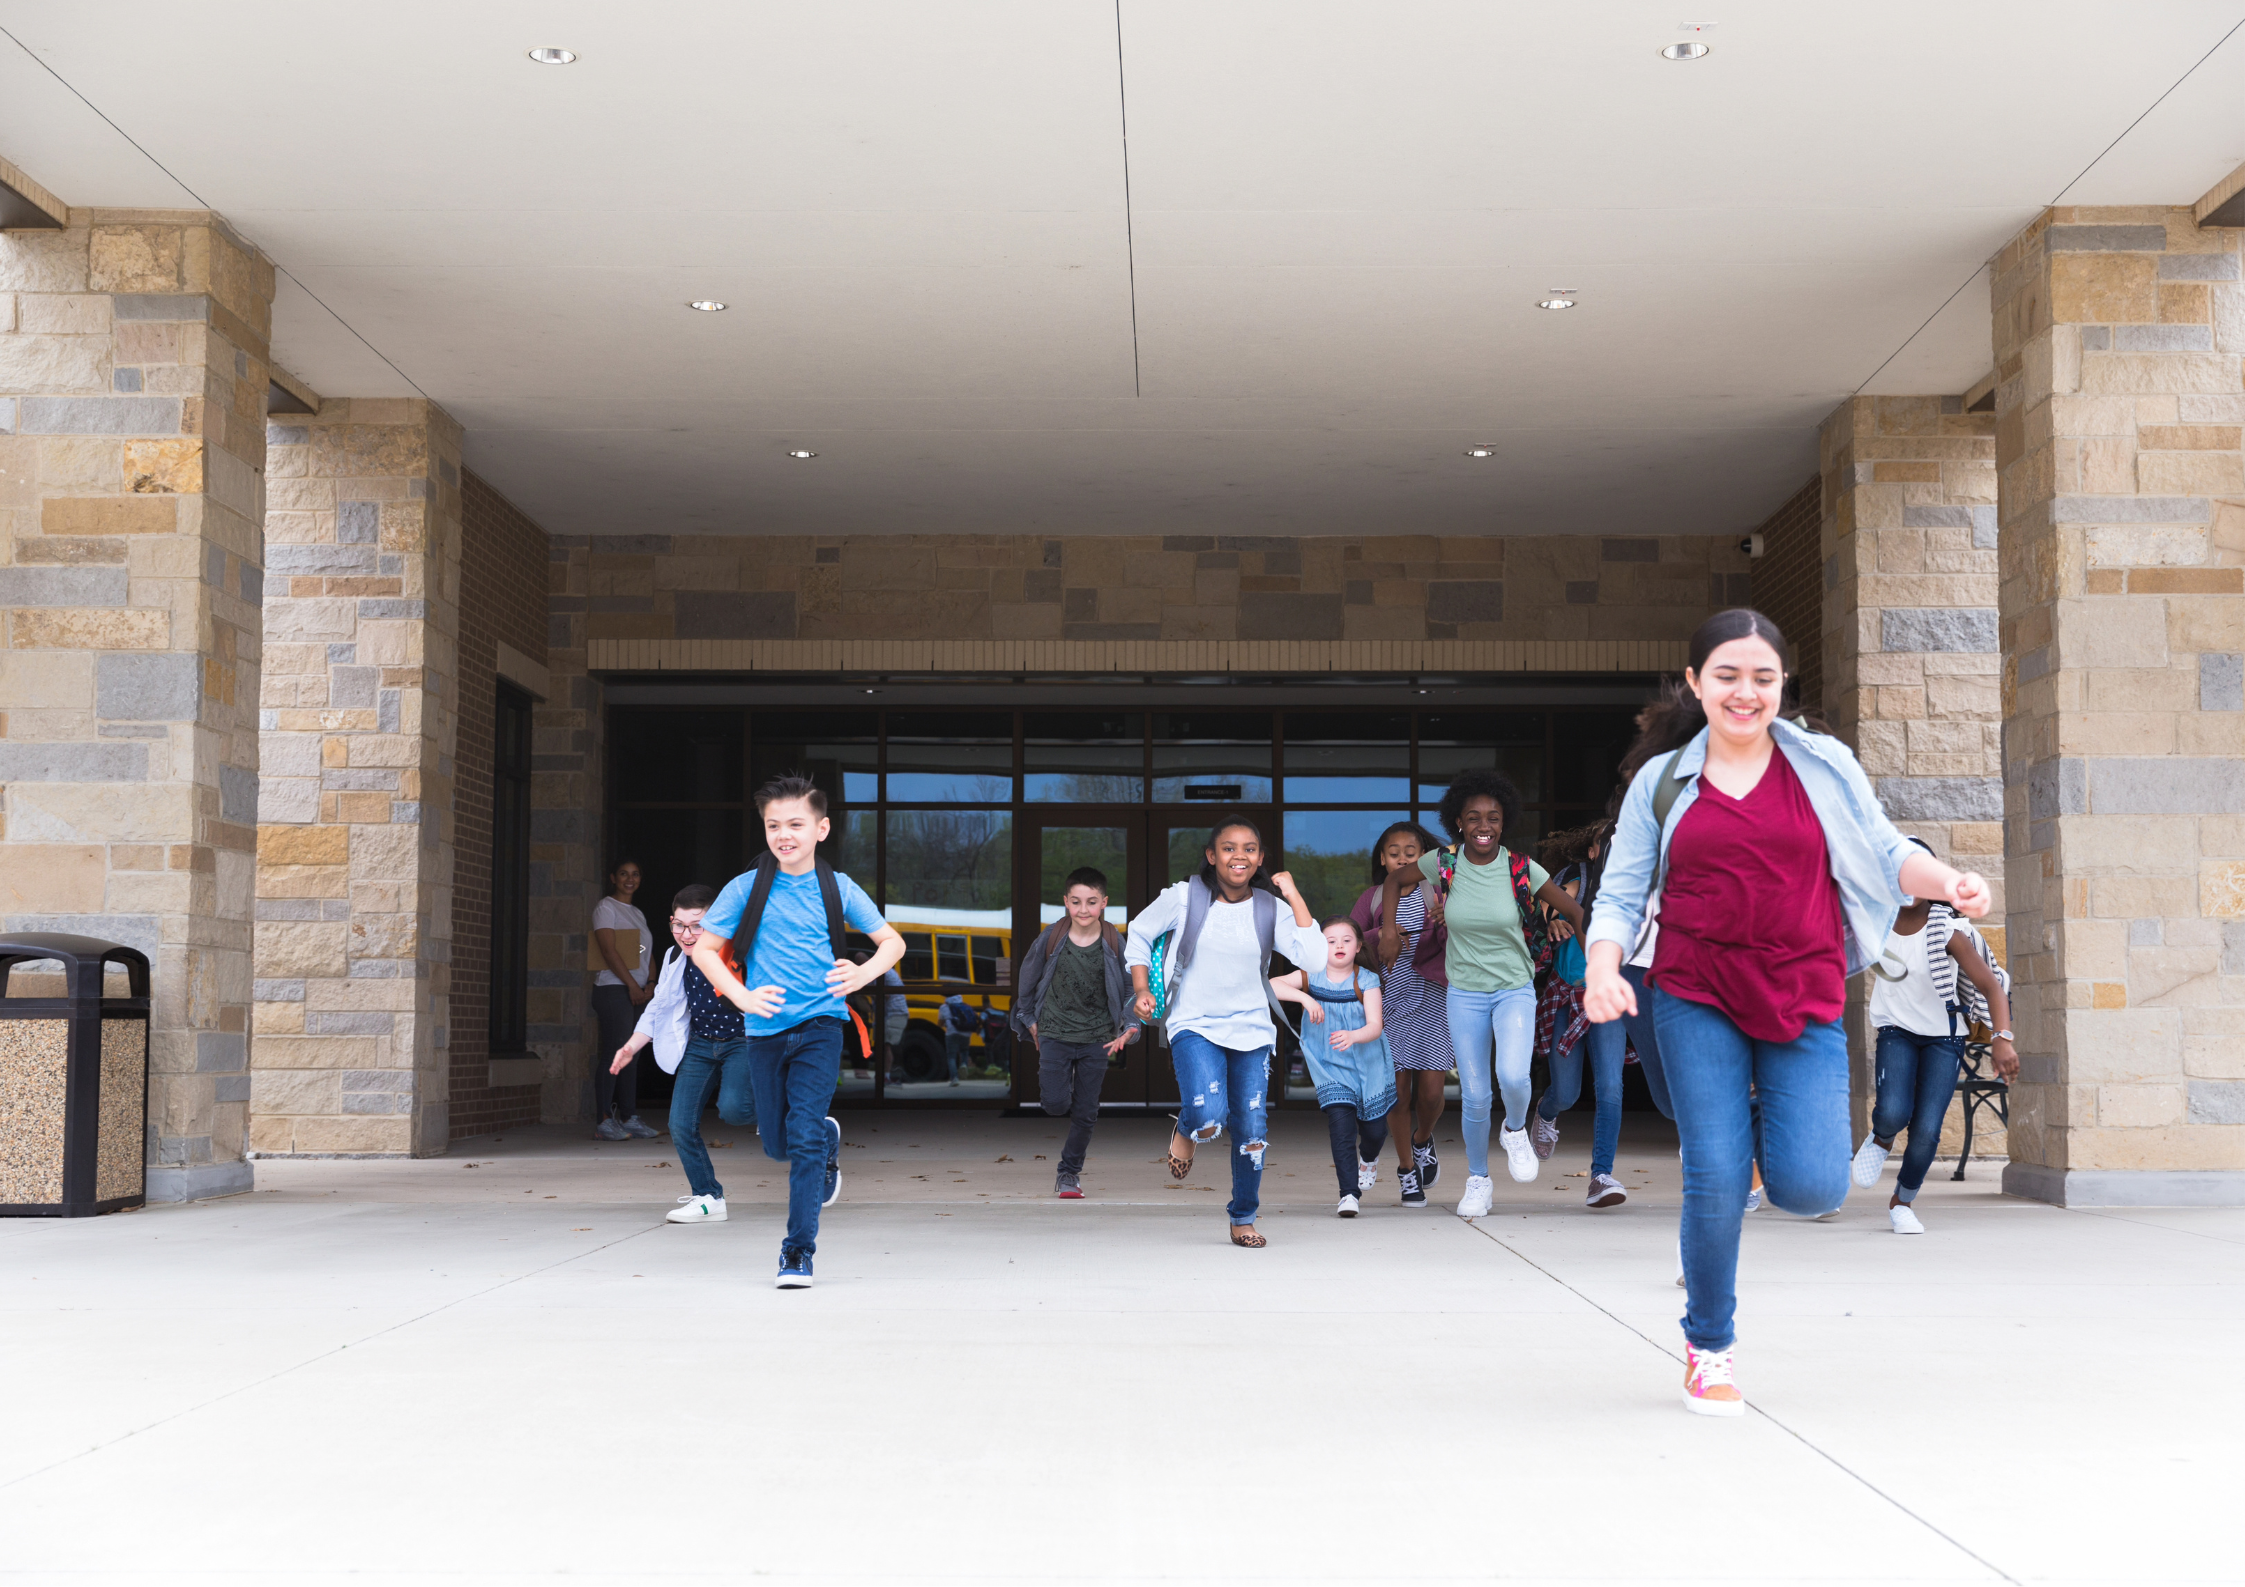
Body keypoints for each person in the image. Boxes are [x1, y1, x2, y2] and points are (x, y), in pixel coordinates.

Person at [1583, 608, 1992, 1416]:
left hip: (1802, 988)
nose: (1744, 692)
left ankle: (1750, 1139)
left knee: (1811, 1186)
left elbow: (1882, 850)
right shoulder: (1663, 781)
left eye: (1761, 677)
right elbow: (1620, 892)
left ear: (1779, 686)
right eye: (1726, 676)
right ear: (1695, 684)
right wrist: (1602, 966)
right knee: (1714, 1169)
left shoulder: (1821, 764)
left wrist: (1943, 878)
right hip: (1693, 988)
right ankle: (1709, 1346)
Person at [691, 774, 906, 1289]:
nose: (784, 834)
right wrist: (741, 997)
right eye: (773, 825)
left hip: (821, 1024)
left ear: (821, 828)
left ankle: (797, 1251)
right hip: (763, 1029)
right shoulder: (745, 888)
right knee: (777, 1144)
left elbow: (891, 942)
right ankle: (825, 1140)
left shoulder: (838, 887)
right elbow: (703, 949)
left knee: (803, 1138)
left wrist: (862, 973)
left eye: (795, 824)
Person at [1384, 771, 1584, 1219]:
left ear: (1503, 822)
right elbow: (1394, 882)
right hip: (1465, 994)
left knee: (1513, 1078)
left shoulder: (1521, 868)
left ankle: (1515, 1130)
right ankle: (1478, 1180)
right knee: (1475, 1096)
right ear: (1458, 822)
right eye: (1473, 817)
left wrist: (1597, 965)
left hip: (1513, 989)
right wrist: (1388, 930)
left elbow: (1574, 909)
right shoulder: (1444, 862)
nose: (1483, 825)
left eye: (1492, 818)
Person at [1125, 816, 1326, 1248]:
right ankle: (1187, 1128)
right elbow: (1139, 933)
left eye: (1250, 849)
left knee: (1252, 1128)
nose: (1240, 855)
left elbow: (1314, 957)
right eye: (1230, 848)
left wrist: (1291, 893)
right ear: (1212, 856)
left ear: (1260, 860)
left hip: (1252, 1029)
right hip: (1194, 1023)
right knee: (1207, 1116)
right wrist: (1142, 988)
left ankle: (1243, 1217)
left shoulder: (1272, 908)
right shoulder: (1185, 898)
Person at [1852, 837, 2019, 1233]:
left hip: (1944, 1038)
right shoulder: (1874, 923)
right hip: (1896, 1031)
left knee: (1927, 1131)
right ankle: (1881, 1136)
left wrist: (2003, 1036)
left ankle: (1902, 1202)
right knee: (1893, 1112)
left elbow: (1992, 986)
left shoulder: (1947, 930)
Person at [607, 885, 754, 1224]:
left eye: (697, 925)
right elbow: (659, 1007)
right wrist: (631, 1046)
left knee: (734, 1110)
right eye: (679, 925)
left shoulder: (739, 951)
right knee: (679, 1123)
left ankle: (798, 1121)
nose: (687, 935)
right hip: (701, 1044)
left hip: (742, 1041)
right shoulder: (675, 959)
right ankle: (708, 1197)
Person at [1011, 866, 1141, 1198]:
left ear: (1104, 903)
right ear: (1066, 902)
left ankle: (1068, 1174)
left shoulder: (1114, 940)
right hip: (1053, 1032)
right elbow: (1027, 979)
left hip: (1097, 1037)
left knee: (1086, 1111)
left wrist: (1130, 1025)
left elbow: (1130, 990)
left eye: (1092, 902)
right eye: (1076, 902)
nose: (1084, 910)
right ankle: (1062, 1094)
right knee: (1054, 1104)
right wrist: (1028, 1018)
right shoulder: (1051, 937)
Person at [1351, 820, 1451, 1208]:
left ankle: (1423, 1138)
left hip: (1431, 997)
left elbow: (1459, 937)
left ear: (1424, 857)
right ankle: (1407, 1171)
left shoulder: (1438, 892)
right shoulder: (1374, 898)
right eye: (1394, 853)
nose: (1402, 859)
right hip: (1386, 998)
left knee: (1431, 1091)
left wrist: (1445, 923)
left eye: (1411, 852)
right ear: (1382, 858)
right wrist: (1384, 936)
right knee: (1397, 1092)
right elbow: (1351, 942)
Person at [1530, 834, 1629, 1209]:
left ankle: (1601, 1175)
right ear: (1593, 850)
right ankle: (1546, 1111)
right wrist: (1552, 923)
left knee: (1611, 1086)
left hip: (1608, 999)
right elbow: (1539, 912)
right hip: (1567, 997)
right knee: (1567, 1093)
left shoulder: (1639, 885)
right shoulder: (1578, 879)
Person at [1272, 916, 1394, 1217]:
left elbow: (1376, 1025)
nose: (1339, 945)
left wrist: (1354, 1035)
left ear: (1358, 946)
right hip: (1329, 1065)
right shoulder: (1311, 975)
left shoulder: (1366, 979)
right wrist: (1303, 997)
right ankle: (1348, 1194)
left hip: (1369, 1063)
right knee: (1341, 1128)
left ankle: (1369, 1157)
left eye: (1346, 940)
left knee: (1375, 1131)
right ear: (1319, 947)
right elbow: (1272, 986)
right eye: (1330, 941)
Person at [590, 858, 661, 1140]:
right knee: (615, 1052)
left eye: (635, 874)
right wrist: (632, 985)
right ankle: (604, 1120)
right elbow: (608, 951)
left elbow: (647, 953)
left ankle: (630, 1117)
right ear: (613, 878)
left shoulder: (637, 913)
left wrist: (651, 984)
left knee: (631, 1054)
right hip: (613, 989)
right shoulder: (606, 908)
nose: (629, 879)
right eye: (623, 874)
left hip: (638, 990)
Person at [941, 992, 979, 1086]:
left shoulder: (944, 1007)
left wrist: (946, 1023)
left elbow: (940, 1023)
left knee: (951, 1056)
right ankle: (964, 1064)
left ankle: (954, 1079)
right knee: (964, 1051)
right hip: (966, 1033)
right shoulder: (966, 1006)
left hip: (951, 1033)